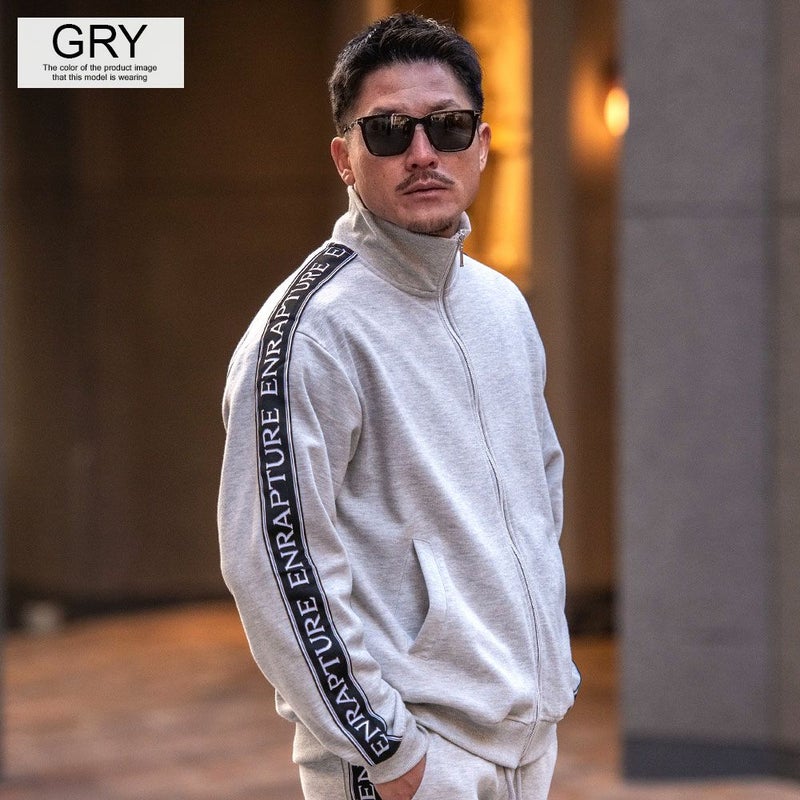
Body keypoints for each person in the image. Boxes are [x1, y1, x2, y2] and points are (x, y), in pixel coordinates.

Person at [218, 12, 579, 800]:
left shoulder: (502, 307)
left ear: (481, 144)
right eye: (388, 131)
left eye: (447, 126)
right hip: (409, 759)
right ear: (345, 158)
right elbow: (275, 559)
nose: (422, 152)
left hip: (525, 745)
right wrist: (385, 747)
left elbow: (538, 496)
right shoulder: (311, 333)